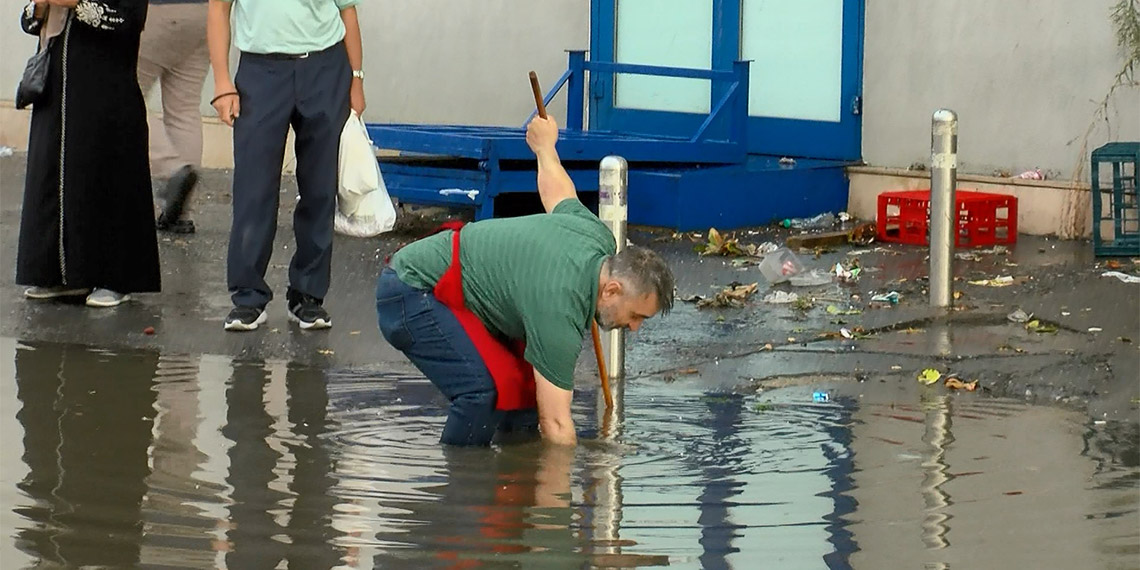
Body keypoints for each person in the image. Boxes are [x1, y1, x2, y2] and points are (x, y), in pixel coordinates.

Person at [376, 115, 675, 447]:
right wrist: (574, 476)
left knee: (526, 395)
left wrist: (545, 148)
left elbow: (558, 193)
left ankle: (512, 472)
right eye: (635, 316)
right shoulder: (560, 311)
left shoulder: (596, 237)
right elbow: (556, 424)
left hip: (468, 295)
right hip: (411, 289)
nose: (634, 328)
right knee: (484, 394)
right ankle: (461, 474)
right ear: (612, 289)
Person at [207, 0, 366, 331]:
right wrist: (222, 82)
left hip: (325, 67)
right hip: (261, 71)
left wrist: (356, 79)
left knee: (320, 188)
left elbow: (347, 10)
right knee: (253, 188)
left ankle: (308, 296)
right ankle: (248, 297)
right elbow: (218, 9)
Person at [17, 0, 161, 308]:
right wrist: (39, 7)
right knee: (53, 173)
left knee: (102, 172)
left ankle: (115, 278)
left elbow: (127, 19)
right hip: (56, 84)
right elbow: (31, 21)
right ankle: (61, 274)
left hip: (105, 84)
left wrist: (76, 3)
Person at [137, 0, 210, 234]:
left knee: (125, 97)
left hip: (157, 11)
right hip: (205, 13)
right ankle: (181, 214)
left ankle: (171, 170)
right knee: (184, 109)